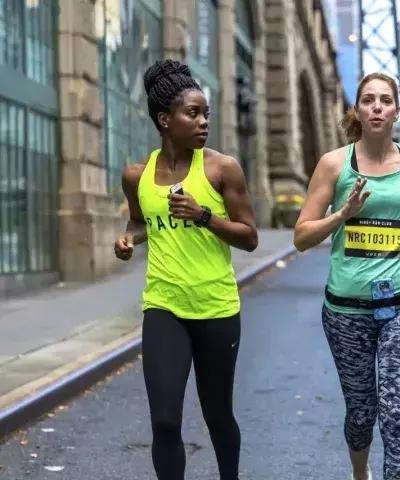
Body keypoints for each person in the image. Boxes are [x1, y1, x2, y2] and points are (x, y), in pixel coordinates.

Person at [294, 73, 400, 480]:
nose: (377, 107)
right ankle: (360, 474)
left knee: (396, 413)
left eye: (385, 100)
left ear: (396, 110)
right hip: (346, 311)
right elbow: (301, 237)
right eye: (368, 100)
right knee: (361, 413)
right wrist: (342, 215)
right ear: (358, 111)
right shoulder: (334, 164)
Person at [113, 59, 258, 480]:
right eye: (192, 113)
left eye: (205, 114)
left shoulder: (221, 168)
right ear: (165, 119)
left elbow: (250, 237)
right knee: (164, 421)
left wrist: (203, 216)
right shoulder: (136, 176)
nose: (203, 122)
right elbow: (139, 221)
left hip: (216, 307)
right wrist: (128, 239)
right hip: (164, 305)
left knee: (218, 415)